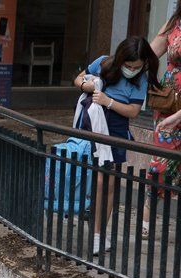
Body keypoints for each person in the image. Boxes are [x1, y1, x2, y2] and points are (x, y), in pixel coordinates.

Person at [73, 37, 159, 255]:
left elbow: (133, 111)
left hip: (116, 127)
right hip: (93, 122)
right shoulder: (104, 63)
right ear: (121, 58)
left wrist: (108, 101)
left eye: (136, 67)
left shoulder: (140, 80)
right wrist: (88, 85)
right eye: (128, 65)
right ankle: (86, 215)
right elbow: (78, 79)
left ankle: (98, 234)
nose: (131, 70)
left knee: (108, 183)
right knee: (92, 176)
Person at [148, 8, 181, 239]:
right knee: (159, 165)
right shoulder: (175, 22)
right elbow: (148, 53)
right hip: (169, 103)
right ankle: (146, 220)